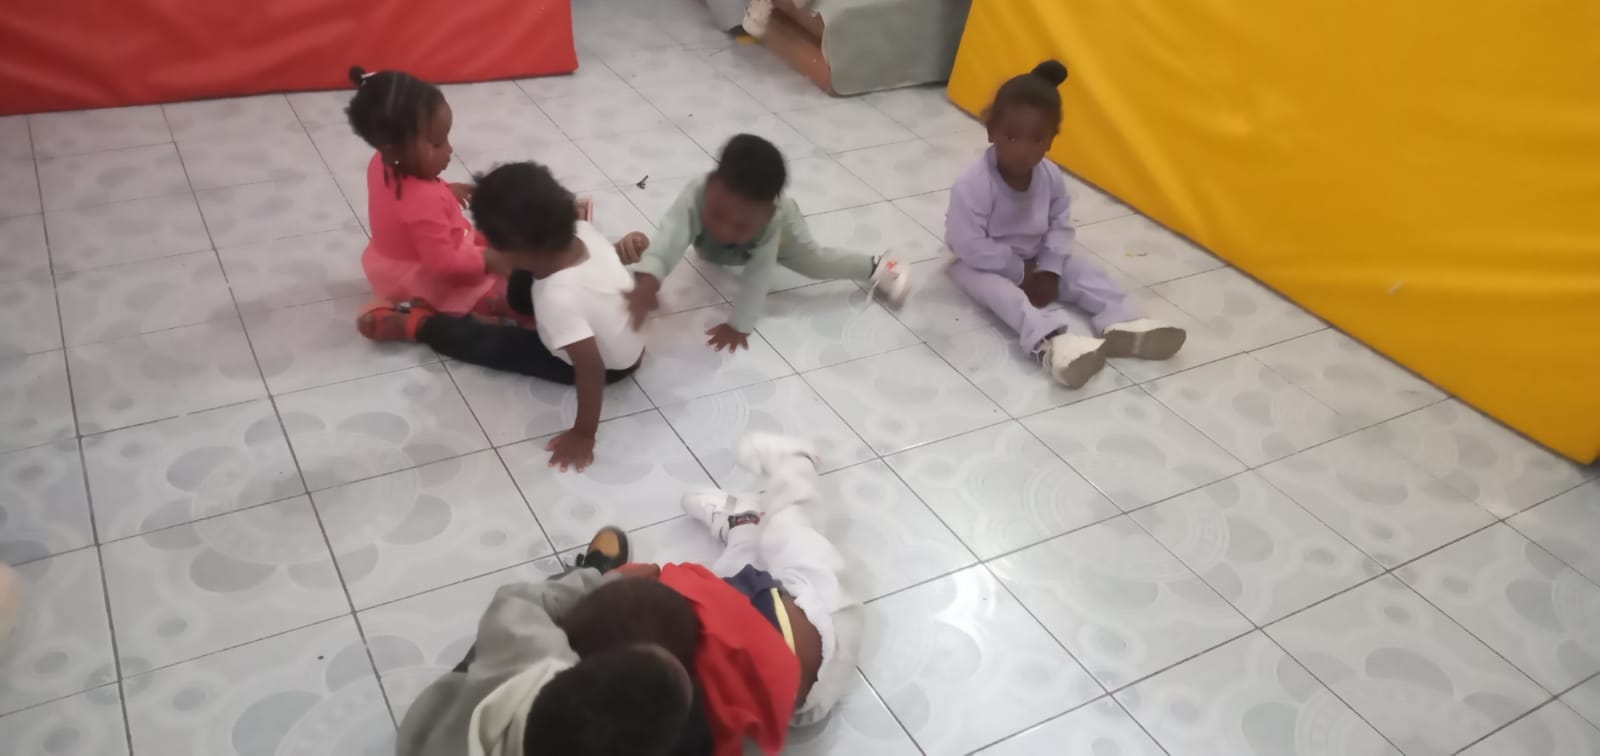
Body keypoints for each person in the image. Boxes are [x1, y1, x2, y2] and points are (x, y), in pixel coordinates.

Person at [363, 162, 646, 472]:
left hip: (607, 366)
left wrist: (583, 434)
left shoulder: (557, 299)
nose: (486, 250)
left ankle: (422, 326)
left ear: (515, 249)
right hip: (618, 331)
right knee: (525, 282)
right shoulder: (581, 232)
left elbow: (590, 369)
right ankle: (510, 307)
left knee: (498, 346)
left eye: (491, 244)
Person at [946, 60, 1187, 389]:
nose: (1022, 151)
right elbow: (967, 243)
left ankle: (1123, 322)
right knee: (1001, 294)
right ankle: (1051, 344)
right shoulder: (973, 184)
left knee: (1086, 273)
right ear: (991, 131)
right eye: (1011, 137)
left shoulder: (1050, 176)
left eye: (1036, 140)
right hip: (981, 263)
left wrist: (1050, 268)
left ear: (1051, 141)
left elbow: (1059, 224)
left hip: (1034, 257)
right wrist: (1018, 271)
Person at [394, 528, 699, 756]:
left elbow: (515, 599)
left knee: (518, 622)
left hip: (427, 739)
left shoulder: (535, 655)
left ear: (569, 663)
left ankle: (591, 569)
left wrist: (606, 581)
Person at [619, 134, 912, 352]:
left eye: (741, 225)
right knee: (709, 249)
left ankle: (879, 266)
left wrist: (740, 325)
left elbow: (758, 276)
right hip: (730, 243)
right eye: (717, 214)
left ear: (767, 214)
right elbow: (671, 238)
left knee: (815, 263)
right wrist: (648, 282)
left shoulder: (772, 220)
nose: (725, 229)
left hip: (785, 234)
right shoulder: (696, 195)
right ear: (710, 185)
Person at [342, 66, 529, 327]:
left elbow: (402, 205)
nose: (450, 150)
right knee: (510, 296)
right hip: (425, 279)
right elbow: (445, 266)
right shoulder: (423, 201)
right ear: (394, 148)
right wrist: (489, 261)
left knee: (498, 243)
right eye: (438, 143)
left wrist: (447, 190)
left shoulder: (382, 161)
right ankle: (420, 318)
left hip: (392, 264)